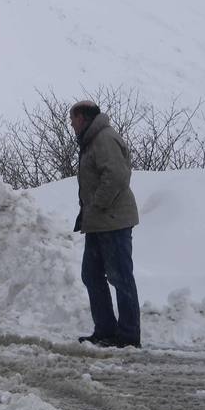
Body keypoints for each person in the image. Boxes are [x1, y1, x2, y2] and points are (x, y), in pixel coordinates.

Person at [70, 100, 142, 348]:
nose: (71, 125)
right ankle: (105, 330)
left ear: (83, 118)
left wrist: (97, 204)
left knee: (120, 277)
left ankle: (129, 335)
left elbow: (117, 175)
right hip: (98, 222)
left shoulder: (104, 139)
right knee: (91, 275)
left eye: (73, 120)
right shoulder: (91, 141)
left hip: (113, 220)